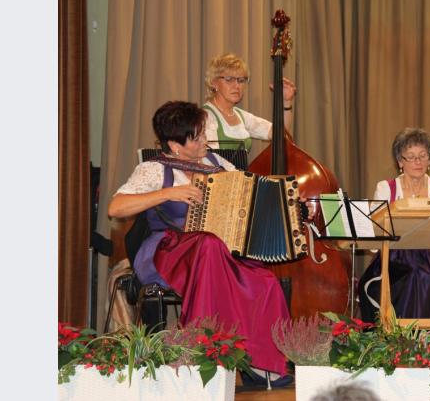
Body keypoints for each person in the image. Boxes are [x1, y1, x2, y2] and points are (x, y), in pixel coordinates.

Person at [108, 101, 292, 387]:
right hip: (167, 252)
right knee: (208, 246)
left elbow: (250, 194)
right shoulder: (153, 169)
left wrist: (288, 204)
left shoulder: (218, 165)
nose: (206, 140)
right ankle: (200, 353)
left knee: (265, 280)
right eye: (197, 137)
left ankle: (263, 365)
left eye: (204, 133)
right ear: (175, 145)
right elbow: (116, 208)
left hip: (217, 251)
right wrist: (168, 193)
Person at [358, 128, 430, 323]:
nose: (418, 162)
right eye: (411, 157)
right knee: (416, 274)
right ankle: (404, 339)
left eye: (423, 156)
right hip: (395, 257)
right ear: (400, 162)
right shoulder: (385, 188)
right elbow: (375, 233)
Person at [202, 53, 297, 151]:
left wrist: (286, 101)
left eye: (241, 80)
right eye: (229, 79)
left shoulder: (241, 116)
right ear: (214, 83)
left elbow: (278, 133)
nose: (237, 86)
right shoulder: (206, 117)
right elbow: (211, 161)